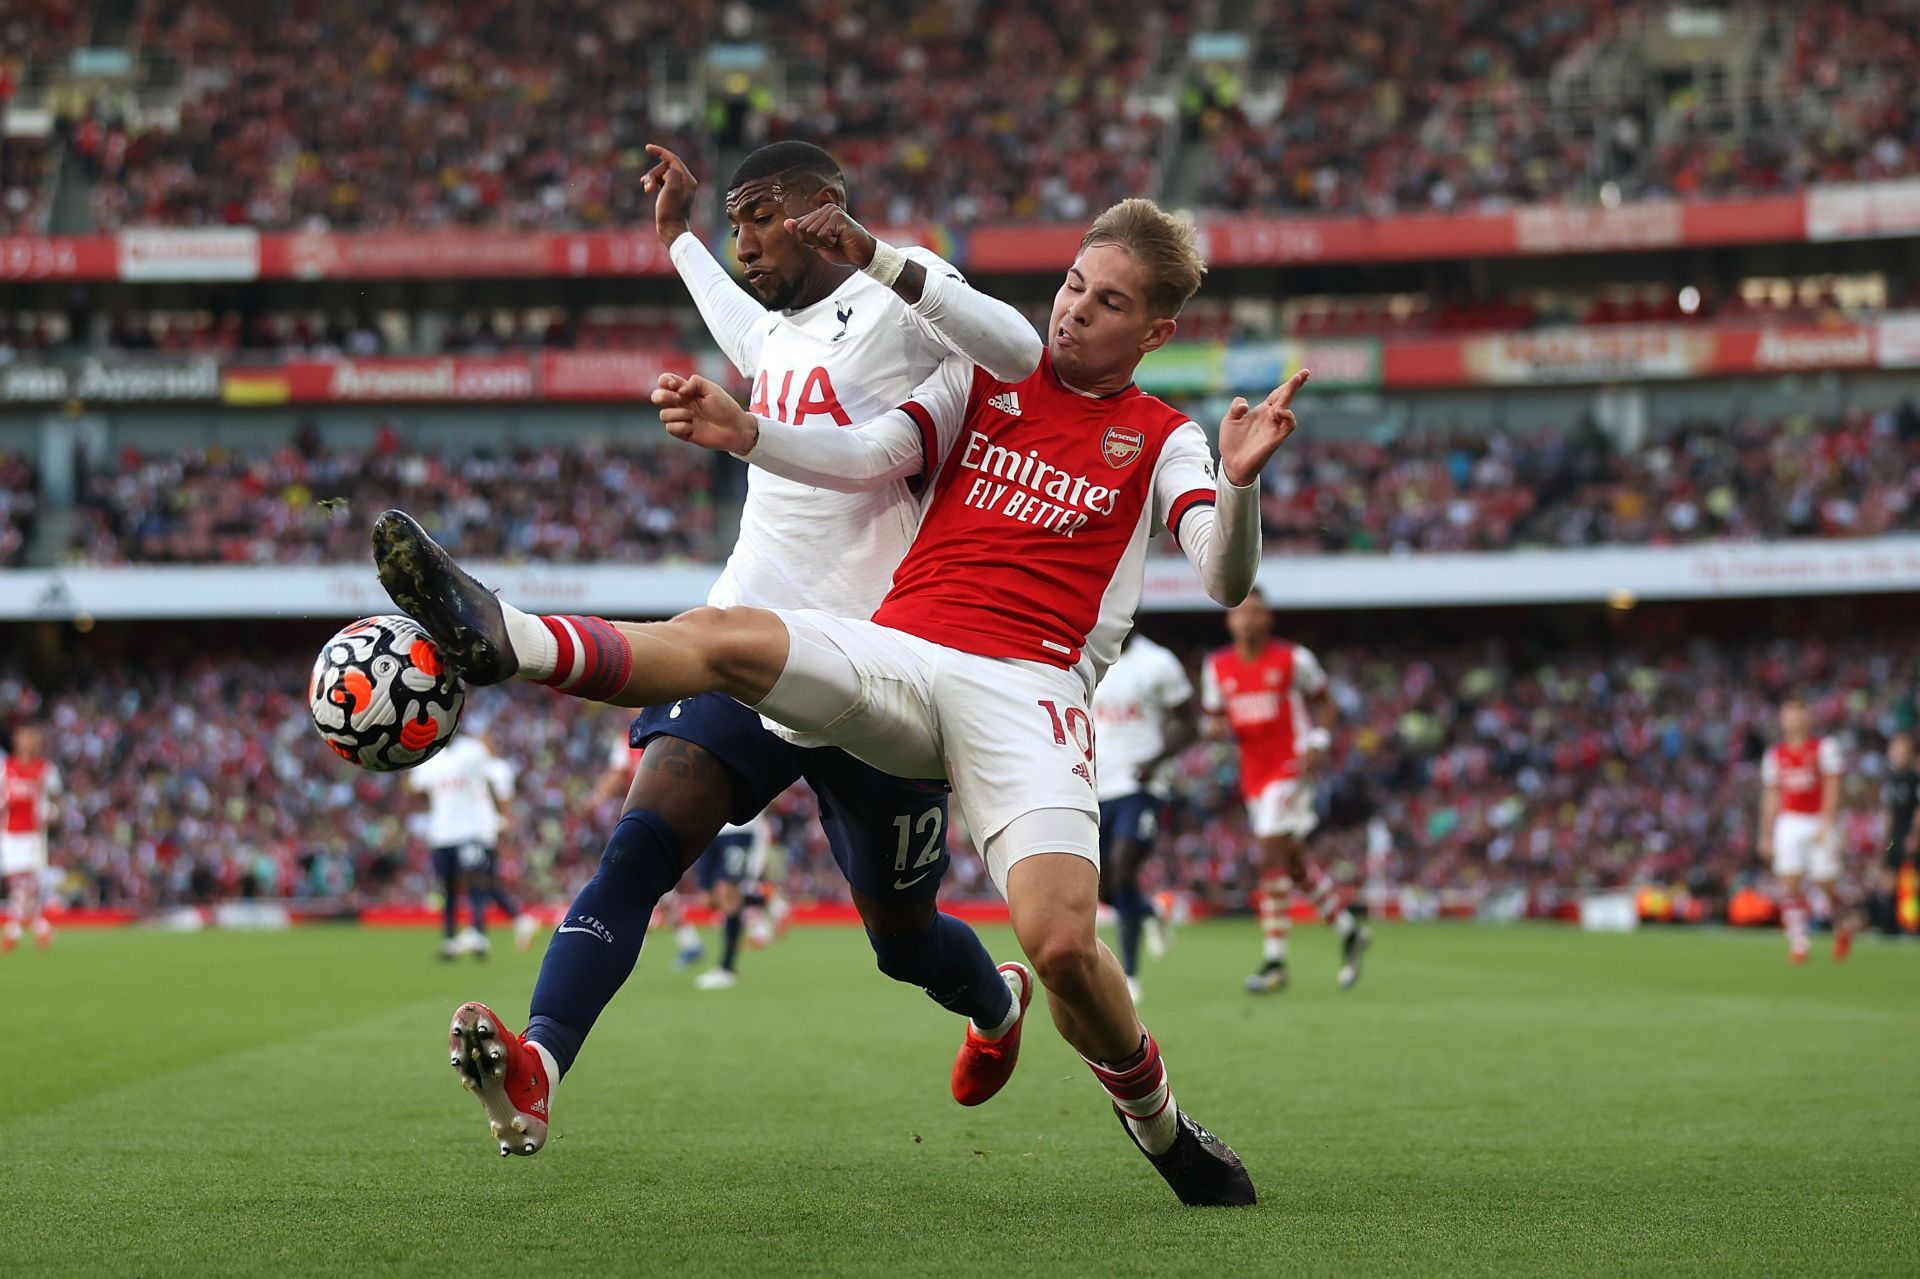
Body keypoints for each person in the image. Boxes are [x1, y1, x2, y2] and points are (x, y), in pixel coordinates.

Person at [377, 197, 1288, 1205]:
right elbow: (867, 454)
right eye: (1074, 284)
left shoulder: (1165, 437)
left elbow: (1223, 575)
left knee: (1065, 945)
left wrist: (1241, 486)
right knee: (730, 640)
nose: (1074, 311)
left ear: (1155, 332)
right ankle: (513, 639)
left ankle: (1162, 1131)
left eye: (1107, 302)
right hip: (898, 650)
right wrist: (749, 433)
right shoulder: (985, 376)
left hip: (1030, 688)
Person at [435, 139, 1047, 1151]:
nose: (743, 238)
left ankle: (997, 1007)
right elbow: (742, 323)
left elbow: (947, 405)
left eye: (758, 215)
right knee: (636, 851)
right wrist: (676, 237)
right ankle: (540, 1063)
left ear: (822, 209)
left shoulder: (906, 315)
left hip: (873, 672)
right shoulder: (782, 339)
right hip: (744, 642)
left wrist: (754, 426)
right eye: (734, 221)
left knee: (902, 945)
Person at [1202, 592, 1368, 992]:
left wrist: (1320, 740)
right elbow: (1214, 718)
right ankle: (1349, 931)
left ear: (1269, 618)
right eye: (1241, 612)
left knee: (1268, 855)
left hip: (1291, 766)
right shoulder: (1217, 666)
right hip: (1253, 775)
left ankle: (1275, 961)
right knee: (1291, 864)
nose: (1248, 619)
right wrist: (1214, 730)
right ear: (1230, 622)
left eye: (1256, 611)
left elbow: (1326, 702)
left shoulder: (1294, 659)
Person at [1090, 631, 1196, 1001]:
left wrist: (1155, 761)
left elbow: (1190, 724)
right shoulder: (1087, 653)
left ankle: (1130, 976)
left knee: (1122, 871)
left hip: (1141, 785)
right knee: (1100, 886)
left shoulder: (1158, 662)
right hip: (1095, 784)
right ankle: (1151, 913)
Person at [407, 730, 536, 959]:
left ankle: (479, 934)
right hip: (443, 832)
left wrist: (501, 820)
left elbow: (492, 781)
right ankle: (450, 938)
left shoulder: (472, 751)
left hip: (471, 829)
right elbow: (416, 788)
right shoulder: (429, 758)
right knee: (448, 886)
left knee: (477, 879)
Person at [1759, 698, 1852, 963]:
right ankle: (1799, 941)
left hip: (1817, 819)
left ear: (1806, 719)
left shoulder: (1823, 748)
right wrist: (1766, 834)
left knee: (1826, 882)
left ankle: (1843, 924)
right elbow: (1771, 795)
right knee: (1789, 882)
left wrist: (1827, 821)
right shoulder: (1774, 755)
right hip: (1789, 821)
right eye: (1787, 716)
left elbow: (1833, 786)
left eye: (1797, 715)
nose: (1792, 721)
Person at [1, 723, 59, 952]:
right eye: (21, 738)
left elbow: (56, 800)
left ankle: (13, 929)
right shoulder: (6, 767)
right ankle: (41, 926)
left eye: (29, 738)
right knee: (18, 882)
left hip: (33, 833)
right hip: (10, 831)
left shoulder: (45, 769)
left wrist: (52, 813)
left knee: (25, 882)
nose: (25, 743)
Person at [1871, 732, 1918, 936]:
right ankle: (1889, 925)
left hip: (1909, 835)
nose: (1896, 755)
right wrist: (1885, 839)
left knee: (1909, 880)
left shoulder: (1914, 778)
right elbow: (1888, 811)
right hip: (1894, 837)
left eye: (1900, 751)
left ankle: (1910, 926)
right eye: (1894, 750)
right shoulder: (1891, 779)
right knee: (1888, 879)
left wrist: (1915, 834)